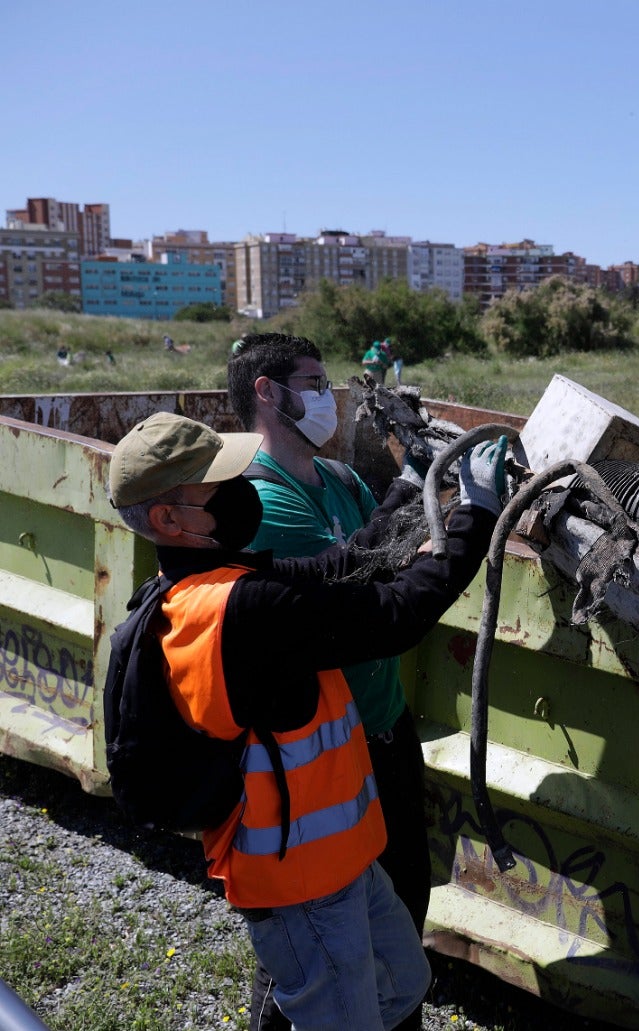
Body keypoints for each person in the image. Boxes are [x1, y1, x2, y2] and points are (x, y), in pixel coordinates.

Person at [107, 411, 506, 1031]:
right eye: (221, 485)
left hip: (339, 860)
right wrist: (475, 516)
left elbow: (338, 567)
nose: (244, 490)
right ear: (169, 519)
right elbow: (397, 613)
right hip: (301, 882)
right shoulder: (245, 609)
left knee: (403, 984)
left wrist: (408, 488)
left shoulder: (207, 584)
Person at [227, 332, 431, 1031]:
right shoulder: (259, 500)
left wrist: (426, 494)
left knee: (400, 917)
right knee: (316, 946)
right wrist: (421, 504)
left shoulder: (341, 481)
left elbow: (393, 545)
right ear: (267, 392)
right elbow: (365, 580)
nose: (328, 397)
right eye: (313, 384)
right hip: (318, 764)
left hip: (384, 731)